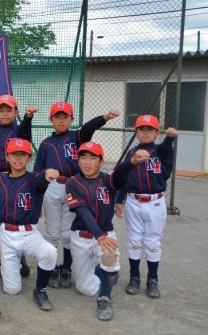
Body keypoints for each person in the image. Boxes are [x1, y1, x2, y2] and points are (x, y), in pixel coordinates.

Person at [33, 101, 120, 288]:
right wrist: (37, 200)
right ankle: (52, 267)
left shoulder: (76, 137)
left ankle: (66, 268)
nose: (61, 120)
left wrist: (105, 117)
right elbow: (37, 172)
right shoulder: (46, 143)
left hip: (74, 186)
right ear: (51, 120)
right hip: (53, 187)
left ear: (72, 119)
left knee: (67, 233)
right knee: (52, 232)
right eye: (57, 117)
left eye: (65, 116)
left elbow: (89, 127)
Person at [66, 141, 149, 320]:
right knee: (85, 289)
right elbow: (82, 211)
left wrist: (133, 161)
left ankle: (105, 298)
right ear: (78, 161)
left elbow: (120, 173)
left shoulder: (108, 179)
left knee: (109, 254)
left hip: (105, 234)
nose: (87, 162)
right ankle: (107, 273)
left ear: (101, 162)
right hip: (81, 237)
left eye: (93, 158)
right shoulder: (72, 183)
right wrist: (99, 236)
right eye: (83, 157)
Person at [0, 139, 60, 310]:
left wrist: (47, 173)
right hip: (5, 235)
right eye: (14, 154)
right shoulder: (0, 182)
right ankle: (20, 264)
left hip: (29, 234)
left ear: (30, 158)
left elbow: (42, 180)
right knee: (12, 290)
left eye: (23, 154)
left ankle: (40, 290)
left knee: (50, 253)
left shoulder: (34, 180)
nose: (18, 158)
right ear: (7, 156)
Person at [115, 115, 178, 298]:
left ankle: (152, 279)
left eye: (150, 129)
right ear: (136, 132)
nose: (145, 132)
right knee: (134, 241)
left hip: (155, 203)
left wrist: (170, 137)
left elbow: (166, 147)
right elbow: (125, 178)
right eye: (141, 129)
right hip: (134, 201)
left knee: (152, 243)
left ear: (157, 132)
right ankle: (134, 278)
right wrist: (119, 200)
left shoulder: (162, 151)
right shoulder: (132, 152)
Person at [0, 94, 37, 278]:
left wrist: (27, 118)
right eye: (1, 110)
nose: (5, 114)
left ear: (16, 112)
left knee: (16, 215)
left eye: (9, 110)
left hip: (17, 178)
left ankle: (19, 258)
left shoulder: (19, 131)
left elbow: (26, 133)